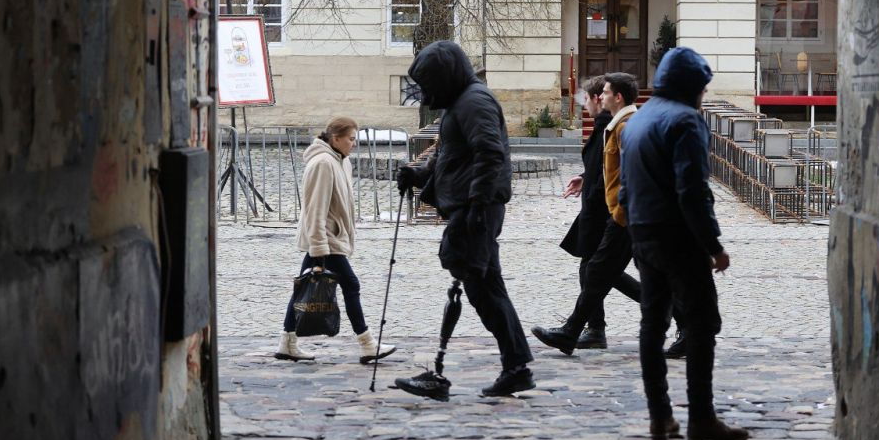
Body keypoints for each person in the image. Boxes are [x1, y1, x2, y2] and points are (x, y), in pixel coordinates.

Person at [619, 47, 749, 440]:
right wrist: (713, 245)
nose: (704, 96)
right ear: (692, 87)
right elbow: (692, 190)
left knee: (652, 324)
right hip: (677, 236)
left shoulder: (639, 119)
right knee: (700, 325)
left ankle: (660, 417)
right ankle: (702, 419)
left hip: (643, 232)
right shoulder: (685, 121)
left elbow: (626, 187)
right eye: (703, 89)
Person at [394, 41, 535, 398]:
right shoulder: (462, 102)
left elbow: (489, 154)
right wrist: (419, 174)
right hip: (473, 209)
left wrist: (476, 206)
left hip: (477, 212)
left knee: (478, 287)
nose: (426, 94)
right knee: (484, 288)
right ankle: (516, 365)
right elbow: (452, 158)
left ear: (445, 76)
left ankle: (443, 373)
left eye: (429, 84)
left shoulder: (474, 101)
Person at [530, 72, 643, 355]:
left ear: (614, 97)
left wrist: (619, 210)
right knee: (600, 271)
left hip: (621, 215)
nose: (596, 100)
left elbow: (633, 174)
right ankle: (580, 330)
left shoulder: (623, 125)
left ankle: (582, 330)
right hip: (619, 213)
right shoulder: (615, 124)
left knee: (600, 271)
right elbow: (608, 170)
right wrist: (587, 176)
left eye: (604, 93)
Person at [275, 117, 397, 364]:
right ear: (336, 138)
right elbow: (315, 209)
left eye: (355, 139)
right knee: (351, 285)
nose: (354, 144)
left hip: (330, 236)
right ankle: (367, 343)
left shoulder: (341, 161)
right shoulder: (323, 163)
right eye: (351, 139)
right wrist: (319, 246)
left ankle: (287, 343)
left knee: (304, 287)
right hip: (324, 239)